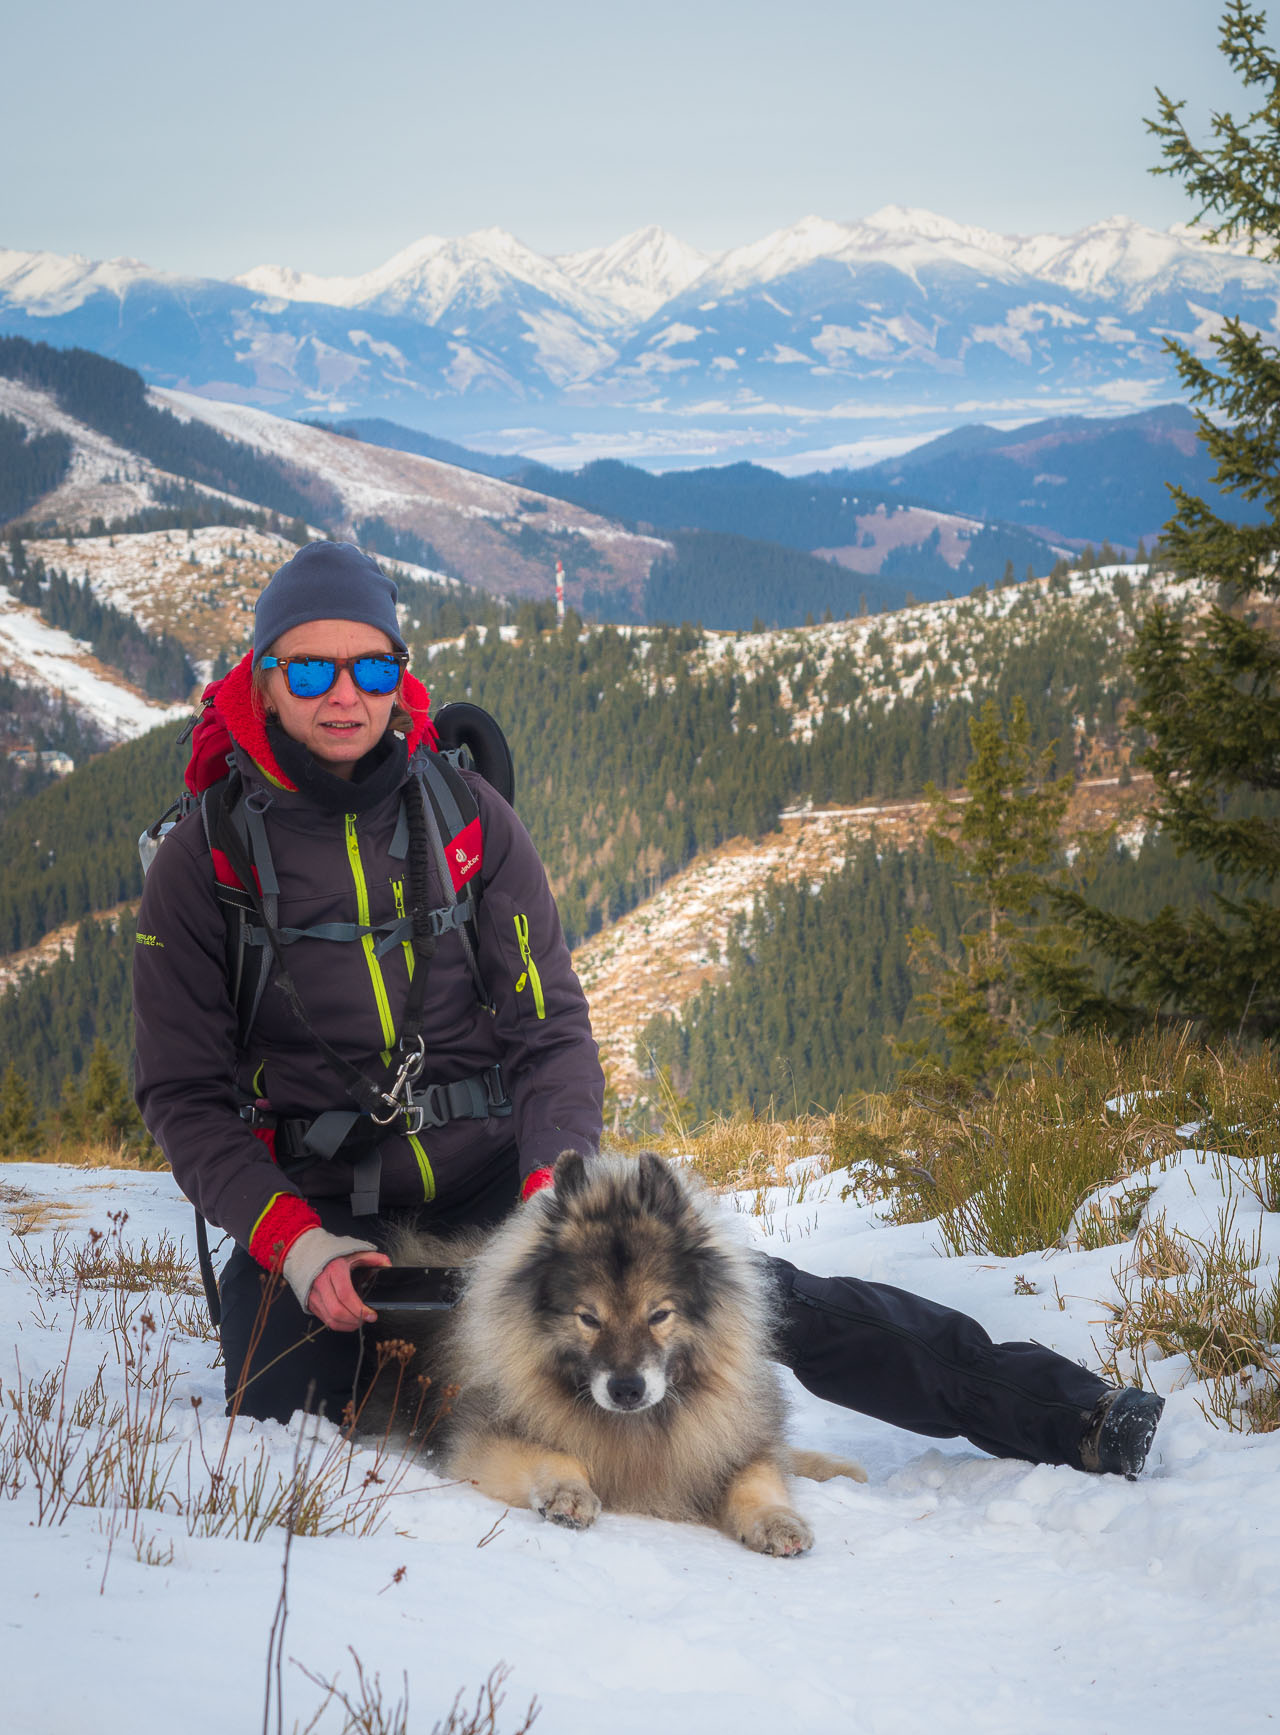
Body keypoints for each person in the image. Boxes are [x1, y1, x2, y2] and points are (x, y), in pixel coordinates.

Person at [133, 541, 1163, 1477]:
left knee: (745, 1295)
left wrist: (551, 1196)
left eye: (369, 666)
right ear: (264, 681)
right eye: (309, 669)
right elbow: (183, 1094)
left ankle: (1059, 1411)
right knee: (288, 1423)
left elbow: (549, 1037)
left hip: (502, 1189)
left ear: (401, 676)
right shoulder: (207, 857)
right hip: (318, 1216)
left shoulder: (465, 821)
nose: (342, 693)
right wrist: (295, 1244)